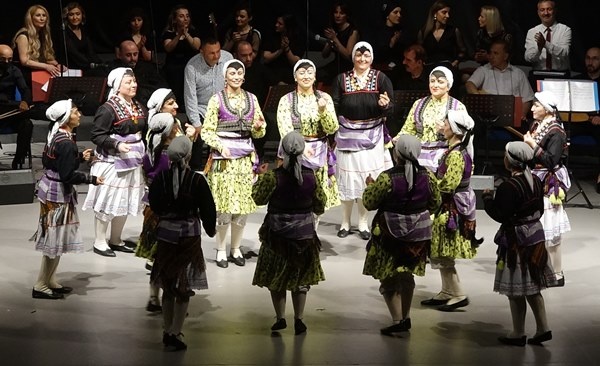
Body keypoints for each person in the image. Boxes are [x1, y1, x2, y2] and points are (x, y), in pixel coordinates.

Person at [362, 134, 440, 336]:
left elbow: (369, 202)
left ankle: (397, 320)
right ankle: (405, 317)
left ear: (397, 154)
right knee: (407, 274)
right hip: (418, 236)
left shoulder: (387, 178)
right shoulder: (428, 176)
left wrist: (370, 186)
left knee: (389, 277)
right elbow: (435, 203)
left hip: (390, 236)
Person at [251, 131, 326, 335]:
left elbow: (258, 199)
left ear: (281, 151)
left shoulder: (273, 177)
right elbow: (320, 205)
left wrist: (261, 176)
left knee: (277, 278)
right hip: (303, 237)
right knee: (300, 280)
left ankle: (280, 317)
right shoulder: (311, 176)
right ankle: (299, 319)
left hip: (277, 237)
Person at [482, 141, 555, 346]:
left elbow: (500, 214)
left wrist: (488, 199)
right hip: (535, 236)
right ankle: (543, 328)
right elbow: (539, 209)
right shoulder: (536, 182)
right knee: (533, 287)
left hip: (517, 241)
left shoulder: (509, 186)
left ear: (510, 161)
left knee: (516, 290)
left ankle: (518, 332)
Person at [149, 135, 217, 351]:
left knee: (168, 285)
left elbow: (155, 204)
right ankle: (175, 331)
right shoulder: (196, 180)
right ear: (188, 155)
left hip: (166, 236)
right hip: (189, 237)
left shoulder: (161, 178)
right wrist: (210, 228)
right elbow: (208, 208)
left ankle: (166, 330)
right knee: (183, 286)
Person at [32, 99, 103, 299]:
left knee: (55, 241)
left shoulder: (57, 136)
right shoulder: (65, 143)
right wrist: (92, 178)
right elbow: (67, 176)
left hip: (50, 190)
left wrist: (79, 158)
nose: (79, 114)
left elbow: (52, 162)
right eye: (75, 112)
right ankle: (40, 285)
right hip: (57, 195)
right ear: (65, 118)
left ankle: (49, 280)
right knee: (53, 242)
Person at [201, 59, 266, 268]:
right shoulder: (216, 100)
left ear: (244, 76)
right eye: (232, 73)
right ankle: (221, 249)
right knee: (224, 206)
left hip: (245, 160)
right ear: (225, 76)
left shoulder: (252, 99)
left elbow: (260, 130)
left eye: (239, 73)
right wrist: (220, 146)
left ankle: (236, 248)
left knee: (243, 207)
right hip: (225, 161)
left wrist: (257, 127)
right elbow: (207, 131)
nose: (236, 77)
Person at [330, 41, 394, 240]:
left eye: (366, 56)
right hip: (347, 135)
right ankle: (345, 221)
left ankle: (363, 222)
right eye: (359, 55)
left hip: (372, 136)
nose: (362, 59)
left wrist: (385, 106)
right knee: (347, 178)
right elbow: (335, 105)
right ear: (353, 57)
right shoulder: (341, 79)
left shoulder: (381, 78)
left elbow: (391, 107)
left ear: (372, 58)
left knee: (367, 179)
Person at [82, 67, 147, 257]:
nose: (133, 84)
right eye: (128, 82)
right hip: (113, 163)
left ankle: (116, 239)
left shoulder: (136, 105)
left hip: (134, 160)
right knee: (108, 200)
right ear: (118, 86)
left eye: (134, 81)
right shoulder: (107, 109)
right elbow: (97, 135)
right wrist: (117, 145)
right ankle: (100, 241)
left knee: (125, 200)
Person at [421, 109, 480, 312]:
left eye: (445, 123)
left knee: (445, 253)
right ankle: (447, 291)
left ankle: (458, 293)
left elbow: (448, 185)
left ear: (454, 129)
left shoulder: (456, 155)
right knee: (441, 252)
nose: (442, 125)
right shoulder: (453, 150)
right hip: (450, 205)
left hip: (451, 208)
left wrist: (428, 182)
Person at [277, 59, 340, 223]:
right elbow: (285, 129)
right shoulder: (287, 100)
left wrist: (323, 110)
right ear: (295, 77)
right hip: (295, 153)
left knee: (316, 200)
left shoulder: (324, 97)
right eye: (302, 73)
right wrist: (300, 148)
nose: (306, 76)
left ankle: (311, 235)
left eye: (310, 72)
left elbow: (332, 128)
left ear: (315, 76)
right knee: (296, 196)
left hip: (319, 152)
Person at [523, 91, 570, 285]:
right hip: (536, 179)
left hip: (549, 183)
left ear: (547, 109)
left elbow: (551, 160)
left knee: (551, 230)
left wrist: (533, 145)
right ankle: (541, 268)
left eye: (536, 105)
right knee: (539, 227)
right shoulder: (537, 125)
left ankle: (557, 273)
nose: (532, 108)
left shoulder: (556, 132)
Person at [395, 66, 466, 172]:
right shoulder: (418, 104)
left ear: (448, 86)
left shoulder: (457, 107)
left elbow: (463, 138)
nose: (435, 85)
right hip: (418, 155)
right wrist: (396, 140)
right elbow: (408, 129)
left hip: (444, 155)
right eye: (432, 81)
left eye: (440, 82)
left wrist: (447, 132)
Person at [183, 37, 233, 171]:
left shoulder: (228, 58)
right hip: (201, 109)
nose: (216, 56)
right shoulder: (192, 66)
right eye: (212, 53)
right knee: (197, 138)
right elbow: (190, 97)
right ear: (202, 52)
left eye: (218, 51)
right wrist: (196, 124)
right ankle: (196, 171)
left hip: (222, 108)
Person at [466, 39, 534, 119]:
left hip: (511, 118)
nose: (491, 56)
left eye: (496, 53)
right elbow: (469, 84)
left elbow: (527, 99)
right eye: (490, 53)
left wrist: (521, 116)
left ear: (505, 56)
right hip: (488, 118)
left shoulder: (518, 73)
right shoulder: (484, 70)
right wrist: (481, 98)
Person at [161, 4, 201, 113]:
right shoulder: (169, 33)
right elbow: (168, 48)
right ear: (174, 19)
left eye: (187, 16)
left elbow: (196, 46)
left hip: (190, 65)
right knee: (175, 74)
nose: (185, 19)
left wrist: (186, 34)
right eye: (181, 16)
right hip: (174, 65)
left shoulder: (193, 31)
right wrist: (178, 35)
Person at [0, 44, 33, 170]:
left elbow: (25, 89)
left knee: (27, 124)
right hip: (3, 108)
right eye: (3, 59)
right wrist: (16, 104)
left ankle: (18, 159)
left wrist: (25, 101)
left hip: (10, 110)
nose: (7, 62)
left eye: (10, 59)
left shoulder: (14, 70)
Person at [572, 46, 600, 192]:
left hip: (598, 122)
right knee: (559, 132)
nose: (591, 62)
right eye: (588, 58)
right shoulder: (577, 80)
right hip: (580, 121)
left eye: (595, 59)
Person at [417, 1, 466, 78]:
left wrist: (456, 61)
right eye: (444, 12)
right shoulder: (423, 33)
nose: (447, 16)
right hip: (429, 70)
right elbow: (419, 53)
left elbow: (463, 50)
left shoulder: (453, 31)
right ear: (435, 13)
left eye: (448, 13)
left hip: (448, 70)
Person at [111, 40, 168, 106]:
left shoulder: (147, 67)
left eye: (135, 54)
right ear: (120, 55)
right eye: (128, 55)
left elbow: (161, 86)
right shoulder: (113, 69)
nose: (132, 58)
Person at [318, 2, 359, 85]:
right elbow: (324, 55)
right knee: (318, 73)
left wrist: (334, 38)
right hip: (337, 64)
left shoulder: (353, 31)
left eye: (341, 13)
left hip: (349, 66)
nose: (338, 15)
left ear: (347, 15)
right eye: (336, 12)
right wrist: (329, 41)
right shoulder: (334, 30)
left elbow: (348, 55)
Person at [524, 0, 571, 72]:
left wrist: (545, 44)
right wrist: (538, 49)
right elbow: (528, 58)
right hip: (539, 74)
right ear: (538, 13)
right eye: (542, 10)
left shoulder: (565, 30)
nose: (546, 13)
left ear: (555, 11)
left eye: (549, 9)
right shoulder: (532, 32)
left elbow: (565, 53)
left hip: (560, 75)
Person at [62, 2, 105, 74]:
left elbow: (91, 51)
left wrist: (99, 64)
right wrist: (90, 64)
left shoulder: (83, 29)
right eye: (71, 14)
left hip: (86, 64)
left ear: (82, 15)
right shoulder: (64, 32)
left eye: (78, 14)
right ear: (66, 16)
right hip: (72, 67)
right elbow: (74, 53)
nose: (75, 17)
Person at [262, 14, 303, 85]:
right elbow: (266, 58)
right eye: (277, 22)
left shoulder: (297, 39)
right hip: (272, 70)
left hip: (288, 71)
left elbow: (294, 63)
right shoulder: (272, 37)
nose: (276, 25)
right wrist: (280, 50)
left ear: (287, 26)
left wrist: (287, 48)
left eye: (280, 24)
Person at [372, 1, 406, 74]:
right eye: (395, 12)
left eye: (400, 12)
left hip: (399, 72)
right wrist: (391, 43)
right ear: (387, 15)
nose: (399, 15)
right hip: (383, 72)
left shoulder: (401, 31)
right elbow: (378, 56)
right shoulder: (379, 32)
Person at [235, 40, 272, 106]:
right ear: (236, 55)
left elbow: (275, 84)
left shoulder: (260, 68)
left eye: (250, 54)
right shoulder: (232, 73)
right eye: (244, 55)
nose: (248, 59)